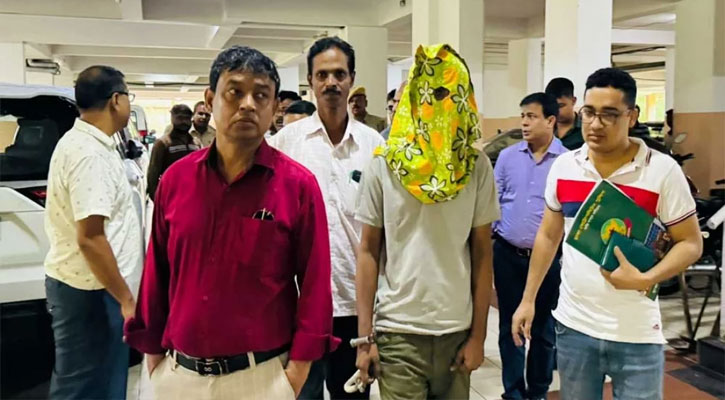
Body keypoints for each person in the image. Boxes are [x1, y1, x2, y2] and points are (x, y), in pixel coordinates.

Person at [124, 46, 339, 400]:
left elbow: (315, 284)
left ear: (274, 108)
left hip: (262, 377)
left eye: (261, 95)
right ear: (210, 99)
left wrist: (296, 373)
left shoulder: (297, 186)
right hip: (178, 376)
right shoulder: (176, 181)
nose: (248, 104)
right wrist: (153, 357)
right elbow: (156, 272)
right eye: (234, 92)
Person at [512, 68, 703, 400]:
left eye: (609, 114)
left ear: (632, 116)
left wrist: (647, 278)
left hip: (637, 333)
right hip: (574, 327)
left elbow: (690, 243)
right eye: (589, 112)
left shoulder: (661, 171)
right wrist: (528, 299)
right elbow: (548, 236)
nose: (595, 124)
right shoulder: (565, 167)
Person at [355, 44, 500, 400]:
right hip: (398, 332)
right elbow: (368, 251)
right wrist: (365, 338)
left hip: (456, 332)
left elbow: (482, 254)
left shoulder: (475, 167)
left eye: (448, 93)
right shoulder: (384, 165)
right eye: (430, 93)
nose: (439, 104)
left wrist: (479, 335)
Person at [270, 36, 384, 400]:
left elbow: (384, 231)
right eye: (322, 75)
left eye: (339, 74)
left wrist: (372, 326)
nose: (331, 82)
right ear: (310, 81)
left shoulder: (374, 147)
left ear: (351, 79)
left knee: (352, 395)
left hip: (354, 305)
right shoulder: (285, 145)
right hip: (299, 306)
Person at [44, 65, 142, 400]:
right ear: (116, 100)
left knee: (103, 381)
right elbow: (90, 237)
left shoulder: (93, 144)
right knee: (84, 386)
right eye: (128, 96)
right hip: (93, 292)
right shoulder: (90, 155)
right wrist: (126, 298)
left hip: (97, 286)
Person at [493, 92, 565, 400]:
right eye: (522, 116)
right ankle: (513, 392)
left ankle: (538, 391)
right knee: (509, 326)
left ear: (550, 120)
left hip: (548, 260)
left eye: (532, 116)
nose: (524, 122)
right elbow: (494, 200)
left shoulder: (567, 162)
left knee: (544, 329)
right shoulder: (508, 157)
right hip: (508, 255)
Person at [146, 104, 200, 199]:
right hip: (171, 196)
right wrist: (157, 199)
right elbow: (153, 175)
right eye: (180, 118)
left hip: (193, 195)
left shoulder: (196, 143)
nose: (184, 122)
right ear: (172, 118)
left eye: (187, 118)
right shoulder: (163, 143)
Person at [545, 77, 583, 150]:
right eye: (552, 106)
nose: (556, 111)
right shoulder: (543, 128)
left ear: (573, 101)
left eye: (561, 106)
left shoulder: (586, 128)